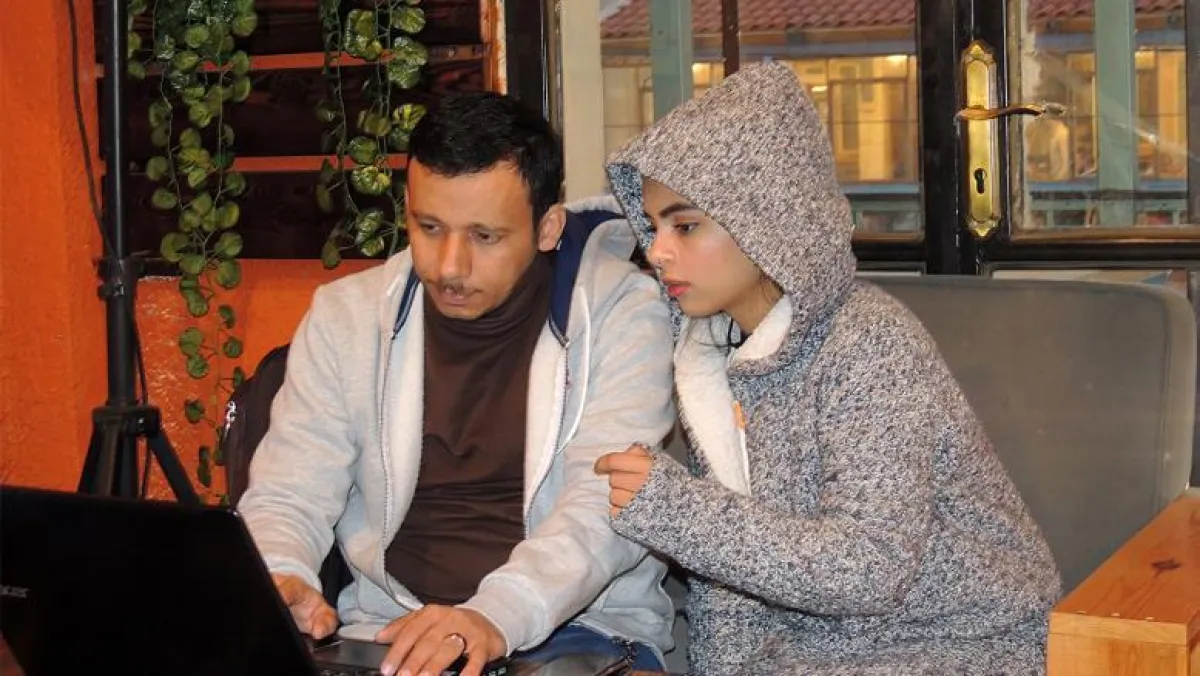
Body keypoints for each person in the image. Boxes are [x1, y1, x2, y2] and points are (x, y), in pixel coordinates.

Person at [596, 62, 1062, 675]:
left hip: (967, 642)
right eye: (654, 226)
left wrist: (680, 510)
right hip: (819, 654)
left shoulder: (870, 343)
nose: (657, 251)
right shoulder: (712, 356)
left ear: (769, 219)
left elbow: (870, 567)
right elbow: (733, 579)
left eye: (685, 226)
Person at [238, 91, 677, 676]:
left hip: (582, 633)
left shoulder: (623, 313)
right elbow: (290, 491)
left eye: (484, 236)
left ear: (547, 227)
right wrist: (281, 574)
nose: (449, 266)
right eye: (429, 227)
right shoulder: (345, 317)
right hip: (387, 632)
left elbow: (607, 509)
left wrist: (495, 614)